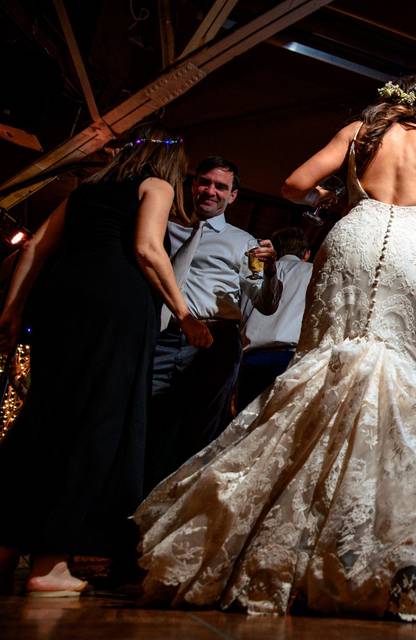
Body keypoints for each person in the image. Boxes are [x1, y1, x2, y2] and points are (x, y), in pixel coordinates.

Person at [133, 76, 416, 621]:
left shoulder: (359, 134)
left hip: (352, 242)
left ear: (386, 104)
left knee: (323, 379)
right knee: (393, 395)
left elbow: (292, 184)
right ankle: (372, 563)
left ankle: (270, 547)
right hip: (413, 256)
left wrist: (336, 197)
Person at [0, 125, 212, 597]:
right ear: (171, 165)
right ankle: (50, 563)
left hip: (59, 303)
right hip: (113, 307)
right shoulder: (155, 185)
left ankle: (5, 548)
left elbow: (34, 247)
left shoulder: (87, 189)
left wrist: (12, 309)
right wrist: (184, 314)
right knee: (94, 424)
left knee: (42, 417)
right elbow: (146, 248)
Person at [144, 156, 282, 491]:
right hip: (160, 337)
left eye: (221, 186)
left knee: (197, 429)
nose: (211, 191)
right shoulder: (162, 227)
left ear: (233, 196)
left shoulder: (245, 243)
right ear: (193, 186)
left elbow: (264, 303)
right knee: (147, 419)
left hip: (213, 342)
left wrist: (272, 269)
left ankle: (173, 503)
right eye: (205, 182)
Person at [236, 226, 313, 411]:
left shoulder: (253, 273)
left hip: (249, 359)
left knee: (240, 421)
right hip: (289, 361)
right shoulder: (313, 272)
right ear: (307, 254)